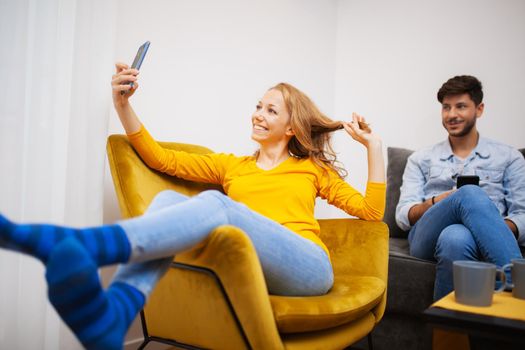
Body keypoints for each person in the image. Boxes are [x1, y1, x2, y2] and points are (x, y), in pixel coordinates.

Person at [0, 62, 386, 349]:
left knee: (218, 206)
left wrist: (374, 147)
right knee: (168, 199)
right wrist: (122, 105)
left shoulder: (311, 170)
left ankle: (86, 244)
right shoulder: (231, 166)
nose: (258, 114)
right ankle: (116, 313)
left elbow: (370, 213)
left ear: (291, 128)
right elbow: (161, 159)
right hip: (253, 267)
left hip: (308, 268)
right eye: (258, 105)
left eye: (271, 110)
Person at [396, 75, 525, 300]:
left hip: (478, 235)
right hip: (425, 237)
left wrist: (485, 226)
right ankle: (517, 282)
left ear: (479, 109)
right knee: (469, 193)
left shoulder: (509, 157)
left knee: (455, 238)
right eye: (446, 107)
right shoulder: (421, 158)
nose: (452, 114)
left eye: (461, 106)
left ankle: (448, 332)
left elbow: (522, 215)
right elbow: (403, 216)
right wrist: (439, 201)